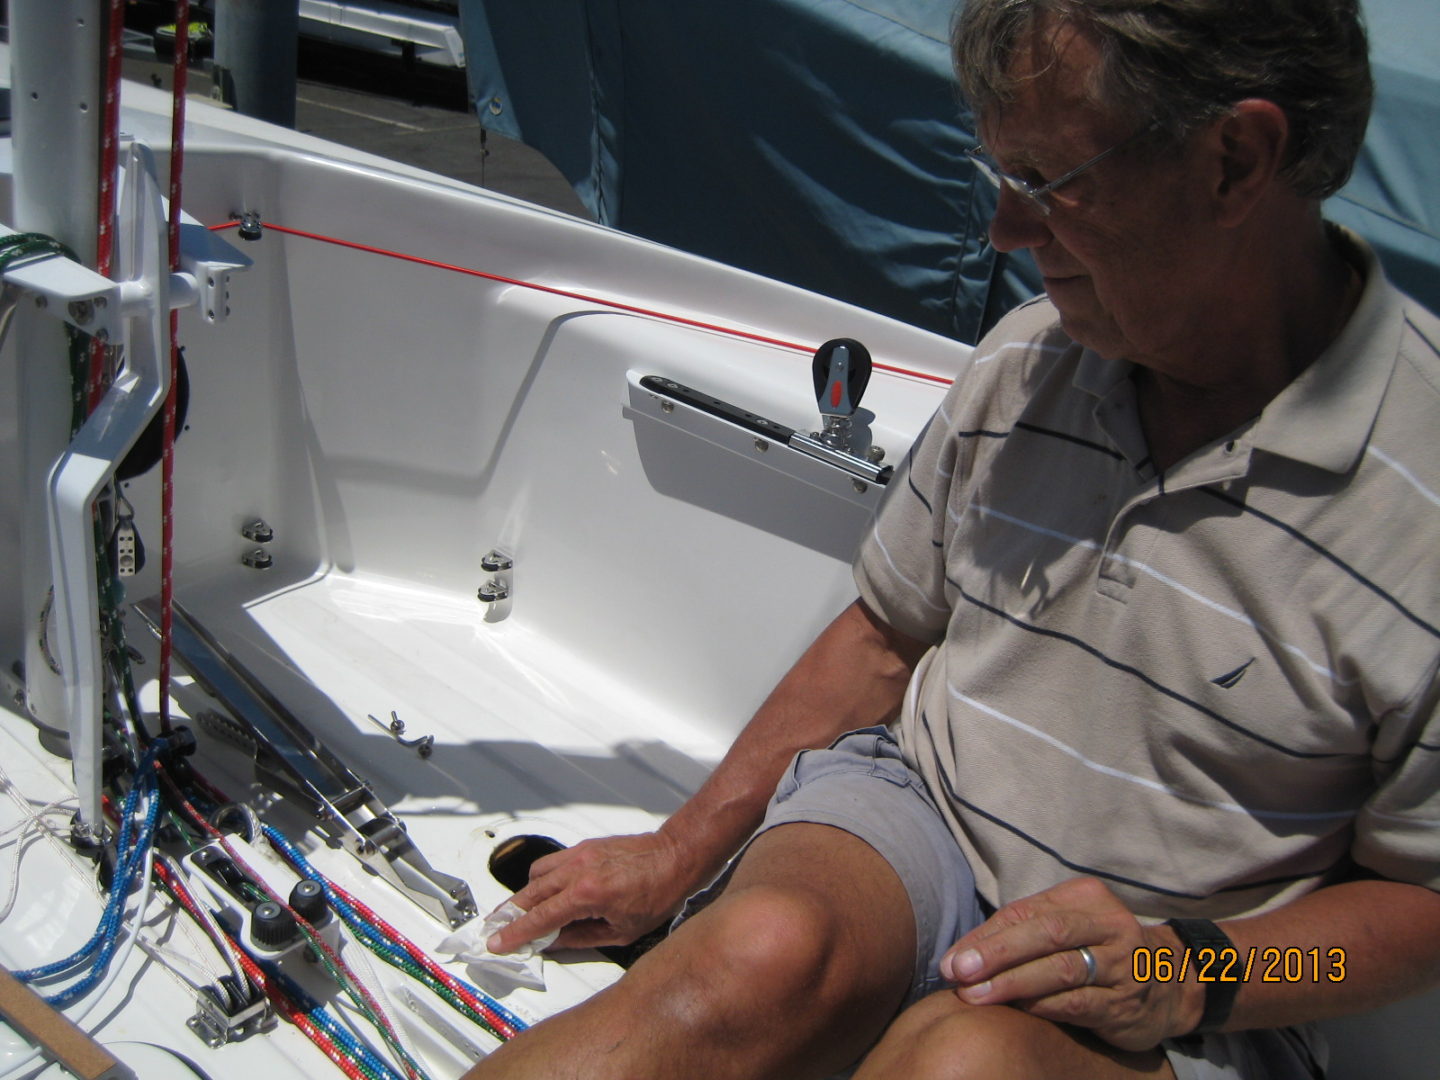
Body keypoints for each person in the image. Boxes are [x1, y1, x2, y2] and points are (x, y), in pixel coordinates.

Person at [465, 1, 1440, 1076]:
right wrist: (675, 855)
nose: (1006, 236)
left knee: (967, 1065)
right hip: (916, 820)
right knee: (749, 958)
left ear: (1236, 160)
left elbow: (1423, 905)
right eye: (1001, 181)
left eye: (1050, 184)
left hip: (1190, 974)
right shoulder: (1031, 360)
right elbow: (886, 636)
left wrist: (1184, 977)